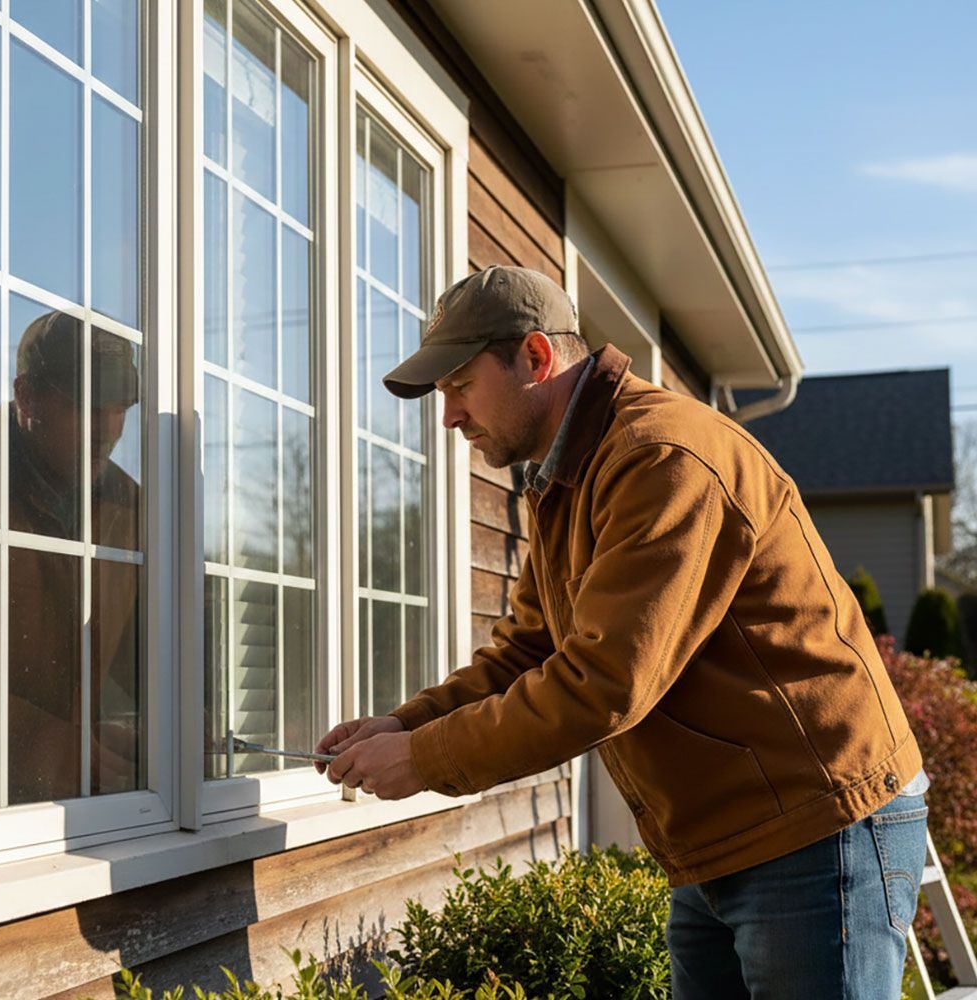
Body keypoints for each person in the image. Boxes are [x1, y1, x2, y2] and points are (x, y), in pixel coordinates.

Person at [314, 265, 928, 999]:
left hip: (814, 828)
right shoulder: (571, 477)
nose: (448, 417)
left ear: (536, 359)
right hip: (718, 840)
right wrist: (403, 724)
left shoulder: (660, 457)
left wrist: (423, 757)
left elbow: (606, 682)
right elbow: (529, 650)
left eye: (458, 386)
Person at [0, 309, 142, 808]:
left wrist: (157, 727)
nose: (110, 427)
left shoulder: (135, 508)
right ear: (27, 396)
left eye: (121, 405)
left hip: (104, 812)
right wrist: (52, 749)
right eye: (87, 405)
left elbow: (144, 656)